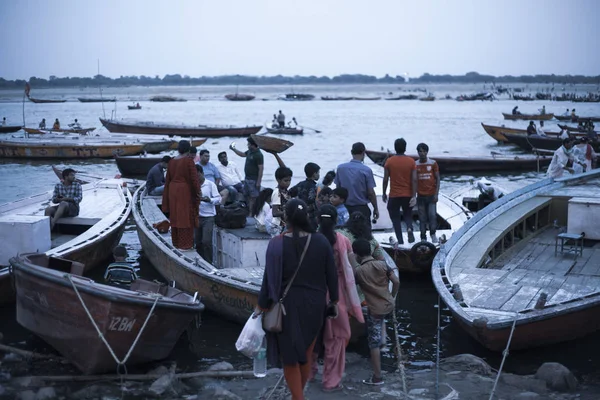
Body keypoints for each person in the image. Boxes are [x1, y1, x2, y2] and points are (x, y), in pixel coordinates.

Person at [257, 199, 338, 400]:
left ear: (286, 218)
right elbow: (332, 275)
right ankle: (297, 396)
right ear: (307, 217)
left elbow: (269, 279)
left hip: (287, 305)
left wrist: (262, 305)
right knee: (306, 353)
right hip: (315, 305)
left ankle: (298, 398)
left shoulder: (277, 243)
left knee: (290, 357)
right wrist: (334, 301)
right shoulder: (321, 241)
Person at [311, 204, 364, 392]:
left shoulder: (310, 240)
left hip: (312, 291)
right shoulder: (343, 240)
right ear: (336, 221)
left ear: (317, 220)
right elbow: (353, 269)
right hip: (336, 293)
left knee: (312, 333)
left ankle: (309, 373)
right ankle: (331, 381)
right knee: (336, 337)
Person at [352, 238, 399, 386]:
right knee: (380, 329)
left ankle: (377, 377)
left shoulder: (359, 271)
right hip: (389, 305)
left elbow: (351, 287)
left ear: (357, 254)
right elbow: (396, 282)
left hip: (375, 310)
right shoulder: (383, 264)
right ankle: (384, 344)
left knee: (373, 343)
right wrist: (393, 296)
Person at [162, 140, 201, 250]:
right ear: (188, 150)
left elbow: (167, 180)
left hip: (172, 190)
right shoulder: (188, 161)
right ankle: (185, 245)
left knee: (175, 216)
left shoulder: (172, 161)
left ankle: (176, 242)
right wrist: (198, 193)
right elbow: (194, 179)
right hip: (183, 191)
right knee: (185, 217)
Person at [382, 138, 417, 244]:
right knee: (407, 214)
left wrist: (384, 193)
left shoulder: (389, 161)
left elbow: (385, 179)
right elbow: (414, 179)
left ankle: (400, 240)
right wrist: (414, 195)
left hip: (394, 195)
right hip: (407, 194)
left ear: (395, 148)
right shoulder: (411, 161)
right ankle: (409, 228)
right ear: (405, 148)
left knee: (395, 216)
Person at [334, 142, 379, 223]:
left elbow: (338, 189)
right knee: (364, 233)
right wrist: (375, 208)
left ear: (351, 152)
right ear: (363, 153)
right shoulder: (366, 170)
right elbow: (371, 193)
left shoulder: (341, 168)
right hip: (361, 208)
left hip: (345, 208)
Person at [230, 137, 264, 212]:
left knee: (253, 197)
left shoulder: (259, 155)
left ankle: (252, 213)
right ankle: (248, 211)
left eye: (249, 144)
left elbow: (261, 169)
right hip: (247, 178)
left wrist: (258, 182)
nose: (247, 145)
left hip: (253, 180)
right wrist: (234, 149)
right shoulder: (250, 151)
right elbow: (242, 154)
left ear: (253, 145)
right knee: (246, 195)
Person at [195, 164, 221, 262]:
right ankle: (200, 262)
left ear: (202, 173)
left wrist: (209, 200)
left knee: (206, 242)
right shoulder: (192, 185)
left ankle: (209, 263)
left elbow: (218, 199)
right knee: (197, 242)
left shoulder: (210, 184)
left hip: (208, 217)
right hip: (196, 217)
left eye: (197, 175)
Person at [415, 143, 440, 243]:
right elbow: (413, 180)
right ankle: (423, 236)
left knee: (432, 215)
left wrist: (436, 194)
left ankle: (433, 234)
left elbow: (438, 178)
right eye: (420, 151)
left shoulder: (433, 163)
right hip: (420, 196)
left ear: (427, 152)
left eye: (424, 151)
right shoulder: (415, 164)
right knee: (422, 217)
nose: (422, 153)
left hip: (431, 195)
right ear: (418, 152)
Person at [291, 162, 320, 228]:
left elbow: (290, 193)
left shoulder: (300, 184)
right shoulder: (315, 187)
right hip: (310, 216)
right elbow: (312, 200)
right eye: (318, 173)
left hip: (299, 213)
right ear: (314, 174)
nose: (319, 175)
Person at [272, 166, 293, 233]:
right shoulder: (277, 193)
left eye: (289, 180)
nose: (288, 183)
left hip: (285, 223)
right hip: (279, 225)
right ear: (278, 180)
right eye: (285, 181)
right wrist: (289, 213)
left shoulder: (285, 191)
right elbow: (275, 212)